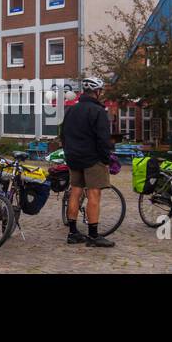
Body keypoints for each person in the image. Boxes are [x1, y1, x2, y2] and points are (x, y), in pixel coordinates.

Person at [61, 76, 115, 248]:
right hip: (93, 159)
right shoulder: (98, 111)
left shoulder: (70, 110)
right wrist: (106, 159)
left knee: (75, 192)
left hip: (73, 158)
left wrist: (69, 153)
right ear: (97, 92)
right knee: (94, 194)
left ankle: (73, 233)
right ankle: (93, 236)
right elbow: (103, 139)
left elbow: (63, 135)